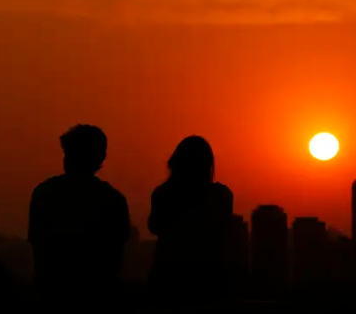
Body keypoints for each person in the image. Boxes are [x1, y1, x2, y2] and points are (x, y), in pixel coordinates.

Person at [28, 125, 130, 303]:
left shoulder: (44, 193)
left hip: (52, 293)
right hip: (96, 295)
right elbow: (116, 255)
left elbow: (36, 242)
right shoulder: (112, 200)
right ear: (101, 157)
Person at [148, 136, 233, 302]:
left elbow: (155, 226)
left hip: (168, 279)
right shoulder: (221, 196)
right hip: (208, 280)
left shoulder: (162, 195)